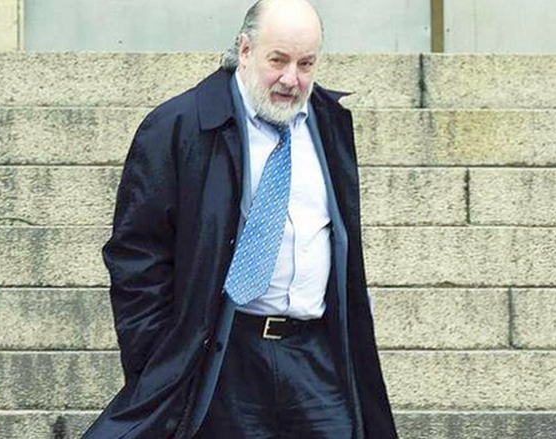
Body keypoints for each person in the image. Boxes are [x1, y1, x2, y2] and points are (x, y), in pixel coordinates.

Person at [81, 0, 398, 438]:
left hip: (315, 358)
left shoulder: (329, 124)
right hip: (225, 354)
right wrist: (158, 359)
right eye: (278, 60)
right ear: (245, 50)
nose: (291, 79)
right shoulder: (180, 126)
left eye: (306, 64)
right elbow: (137, 255)